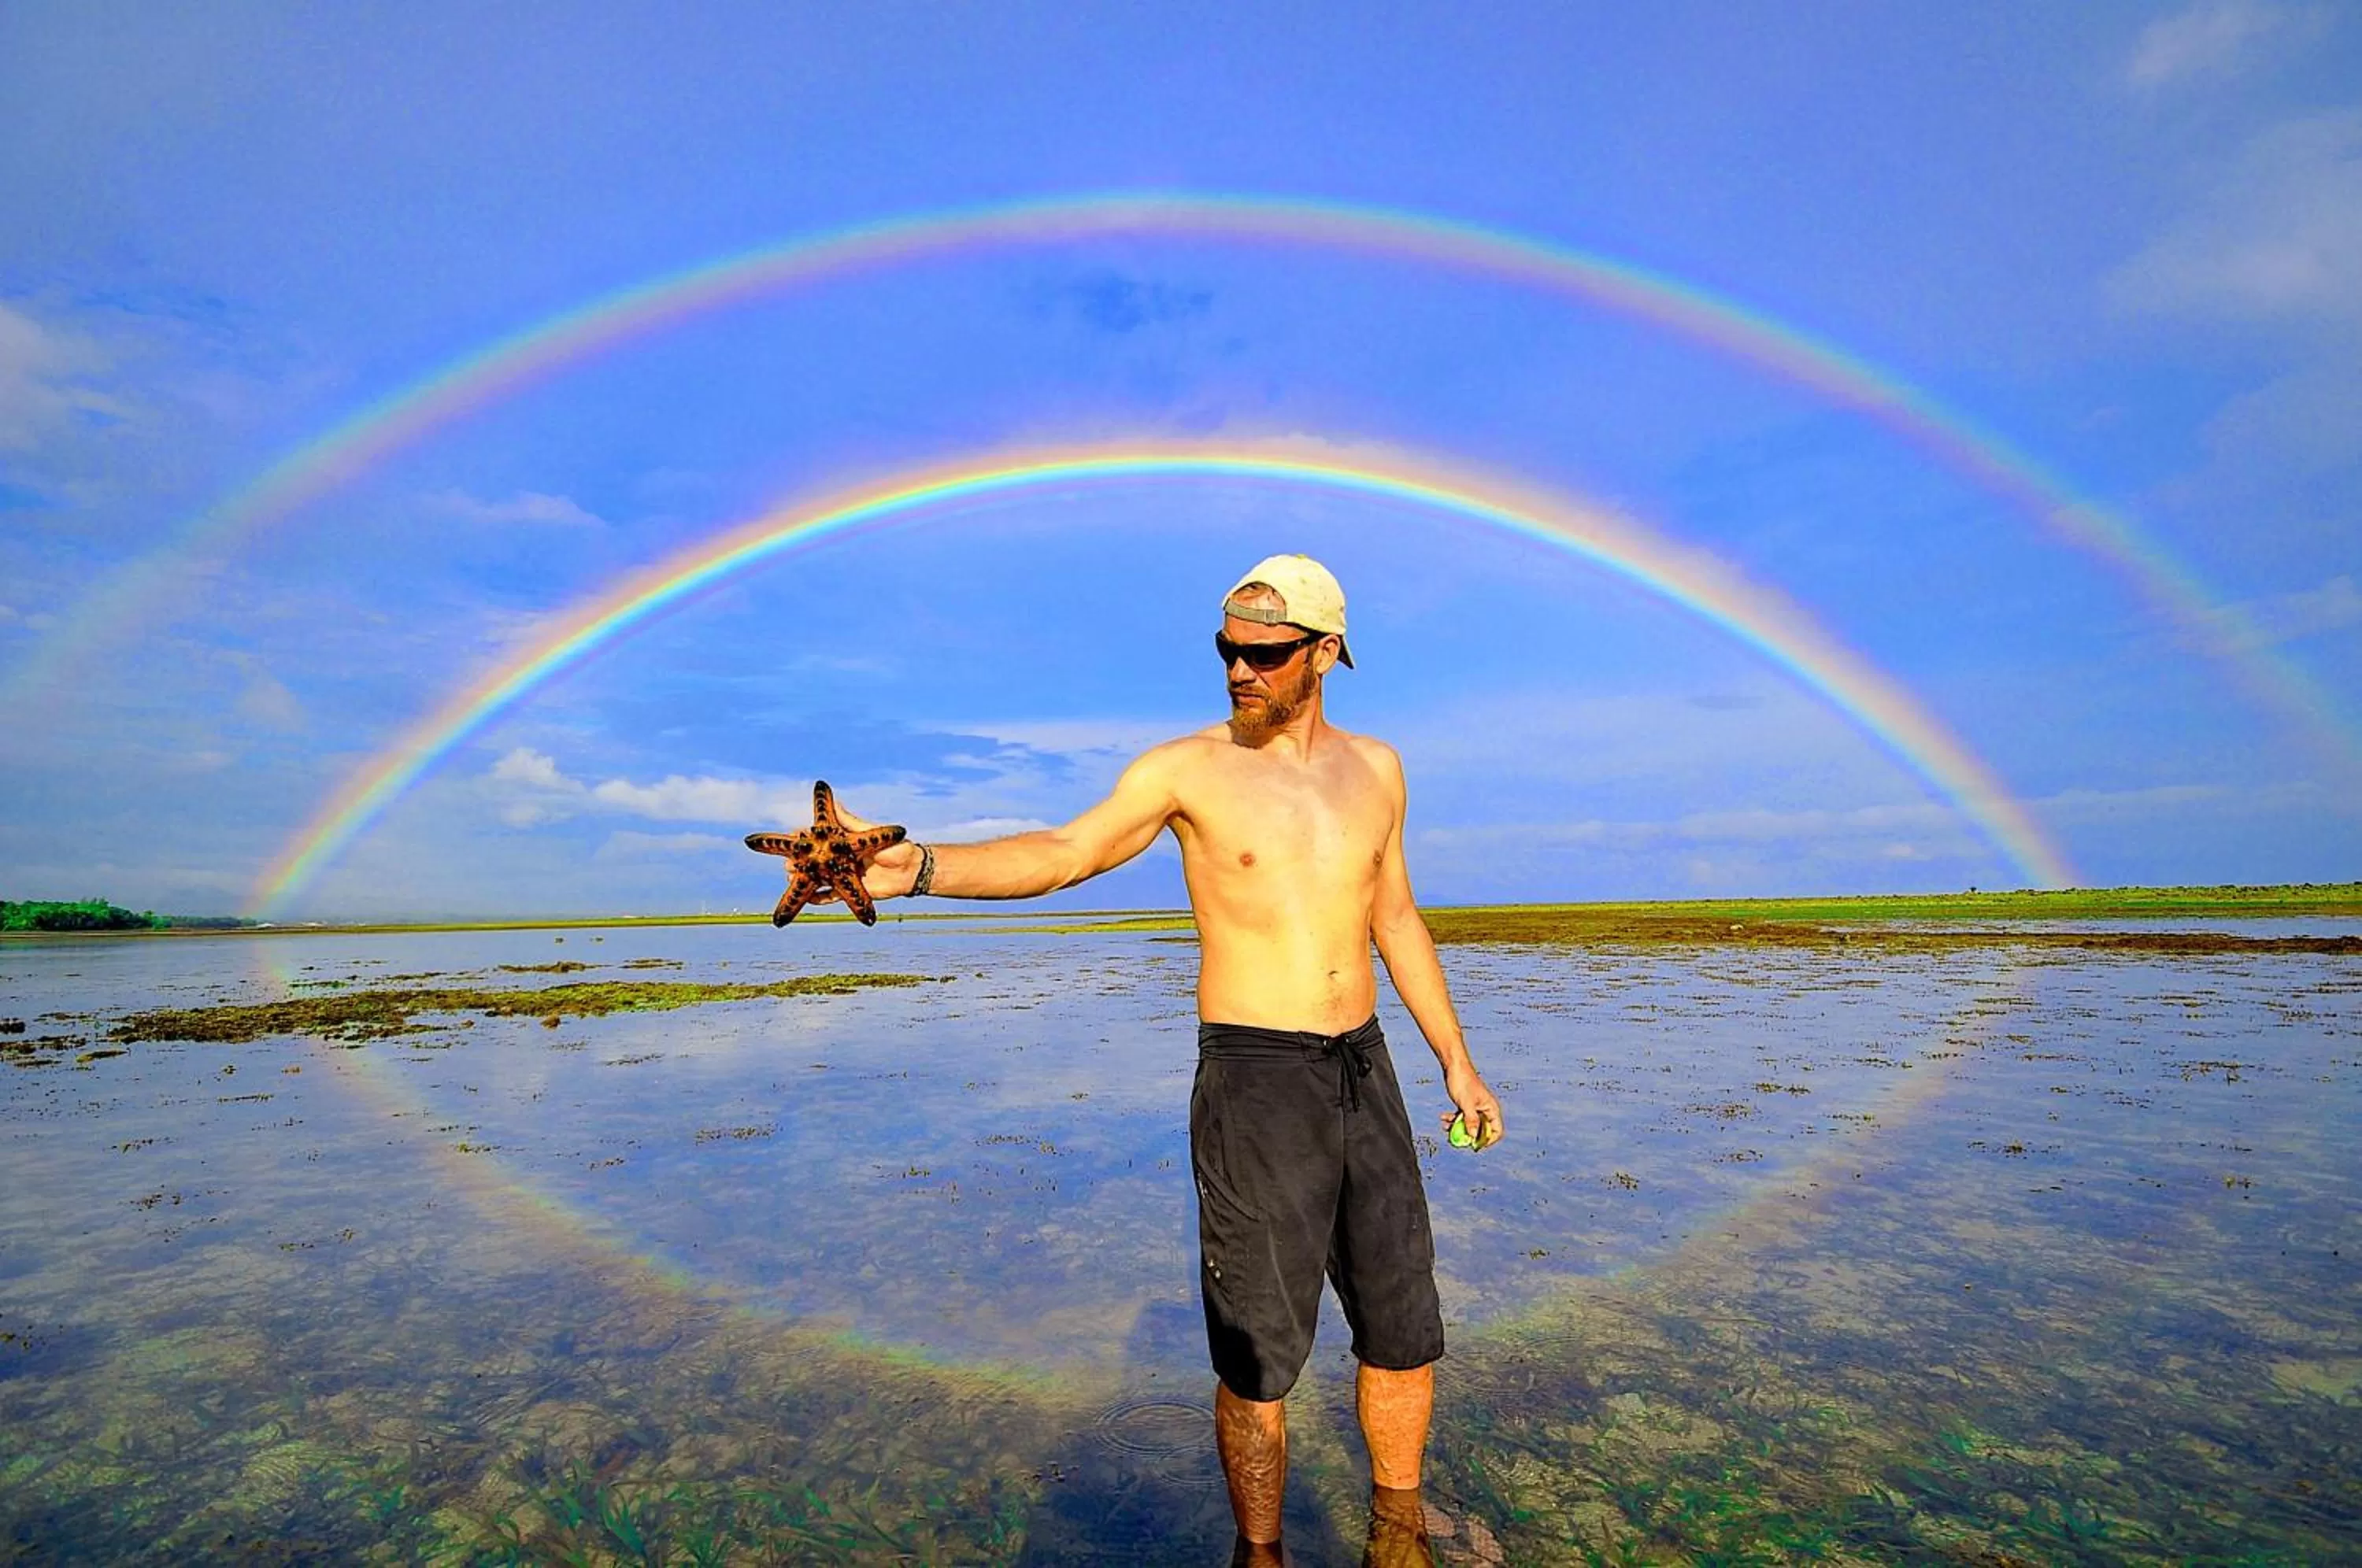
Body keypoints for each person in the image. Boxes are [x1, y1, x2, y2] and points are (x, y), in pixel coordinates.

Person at [827, 553, 1503, 1564]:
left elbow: (1396, 919)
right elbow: (1068, 852)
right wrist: (923, 868)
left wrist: (1457, 1060)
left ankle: (1397, 1534)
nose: (1240, 671)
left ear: (1326, 653)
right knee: (1259, 1354)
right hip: (1254, 1075)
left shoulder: (1380, 769)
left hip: (1366, 1069)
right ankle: (1260, 1554)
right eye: (1229, 650)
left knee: (1404, 1326)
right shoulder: (1185, 769)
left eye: (1266, 655)